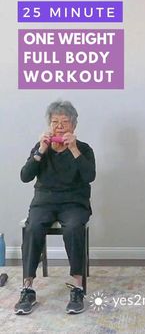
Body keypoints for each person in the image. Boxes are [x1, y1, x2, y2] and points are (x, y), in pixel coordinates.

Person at [14, 100, 96, 314]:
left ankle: (78, 287)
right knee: (33, 228)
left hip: (74, 203)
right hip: (44, 201)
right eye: (55, 122)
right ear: (49, 125)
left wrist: (74, 149)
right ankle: (27, 288)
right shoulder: (41, 148)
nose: (59, 126)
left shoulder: (84, 149)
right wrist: (40, 150)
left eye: (64, 122)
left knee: (73, 228)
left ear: (74, 126)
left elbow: (90, 176)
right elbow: (25, 176)